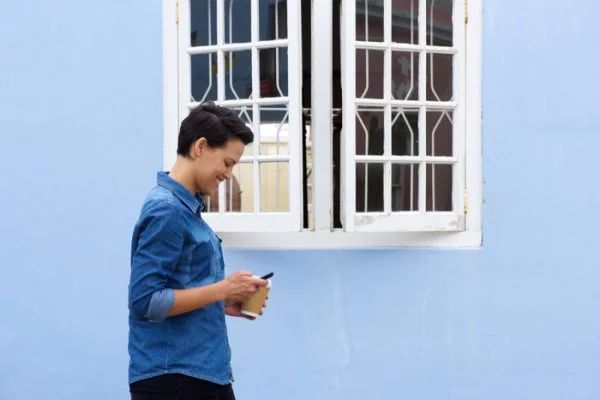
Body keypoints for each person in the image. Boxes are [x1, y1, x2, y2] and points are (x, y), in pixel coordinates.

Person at [128, 103, 267, 400]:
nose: (229, 174)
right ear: (201, 146)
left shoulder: (184, 210)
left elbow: (176, 291)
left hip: (196, 375)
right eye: (228, 163)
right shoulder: (166, 211)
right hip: (176, 380)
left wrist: (223, 301)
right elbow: (145, 301)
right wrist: (221, 290)